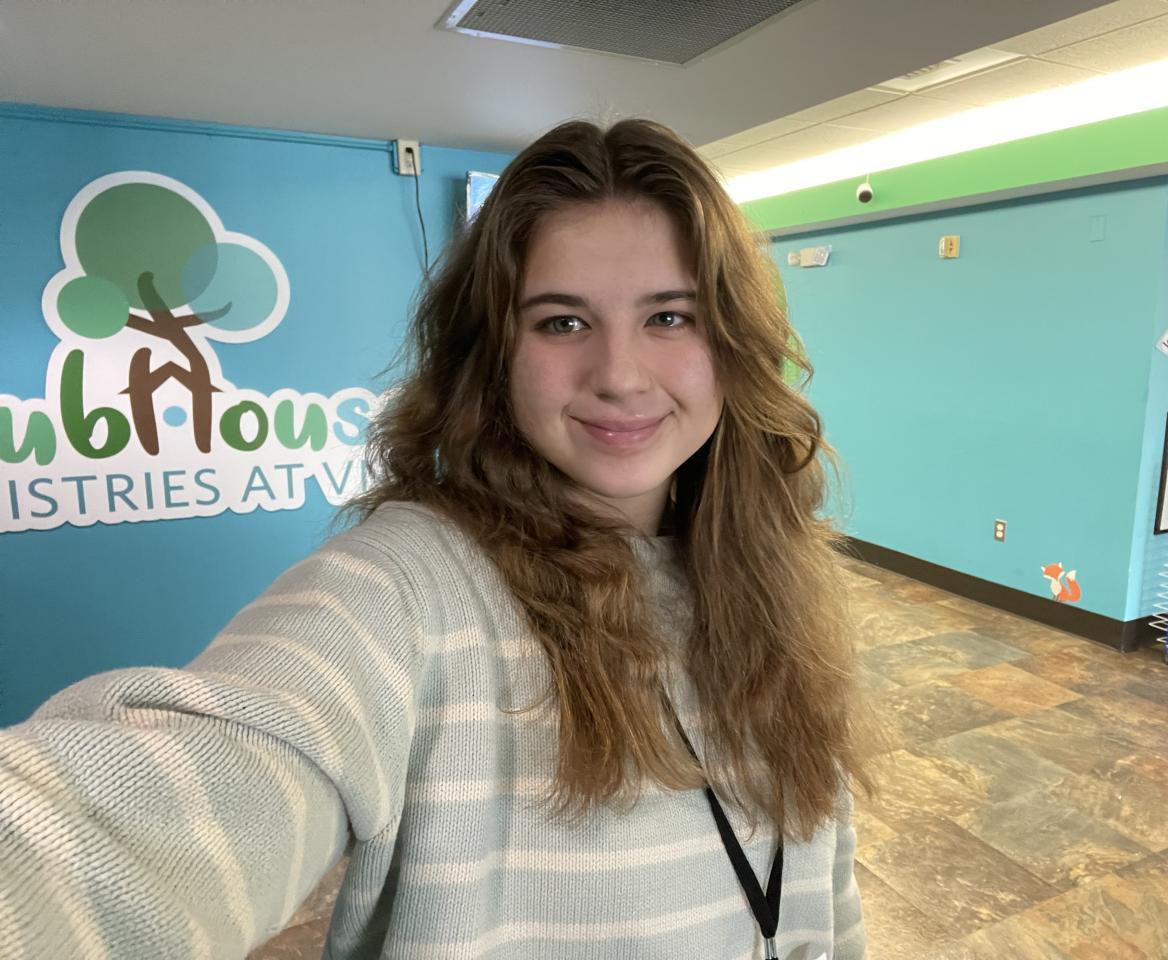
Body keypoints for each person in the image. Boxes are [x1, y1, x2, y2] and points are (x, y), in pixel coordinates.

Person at [0, 117, 876, 959]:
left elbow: (823, 879)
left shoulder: (770, 568)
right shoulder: (408, 588)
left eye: (670, 317)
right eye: (561, 322)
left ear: (733, 340)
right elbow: (147, 809)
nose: (619, 375)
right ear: (492, 355)